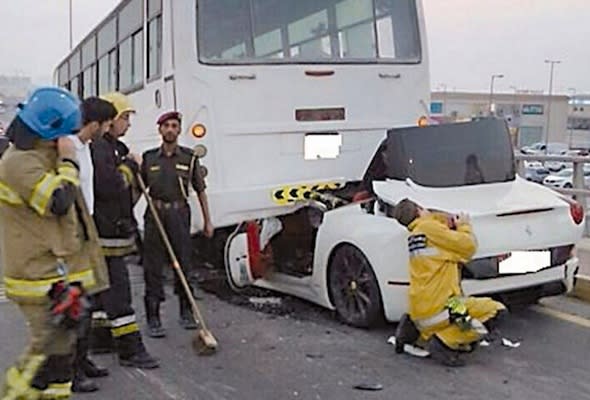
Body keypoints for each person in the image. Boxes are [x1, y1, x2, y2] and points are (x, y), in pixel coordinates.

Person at [0, 87, 107, 399]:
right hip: (34, 275)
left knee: (61, 351)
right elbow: (59, 201)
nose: (67, 140)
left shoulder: (38, 154)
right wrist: (68, 162)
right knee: (43, 352)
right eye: (63, 133)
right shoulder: (18, 163)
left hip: (53, 271)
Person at [391, 198, 506, 367]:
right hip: (445, 307)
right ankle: (443, 342)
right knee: (496, 312)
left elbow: (442, 239)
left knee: (465, 335)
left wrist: (446, 220)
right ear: (419, 210)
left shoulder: (416, 234)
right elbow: (468, 246)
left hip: (421, 310)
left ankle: (412, 334)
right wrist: (464, 225)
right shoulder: (429, 228)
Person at [90, 92, 159, 369]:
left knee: (102, 289)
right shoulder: (101, 149)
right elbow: (110, 186)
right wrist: (131, 167)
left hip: (111, 230)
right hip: (107, 232)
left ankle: (101, 338)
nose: (128, 124)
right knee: (119, 291)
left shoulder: (113, 147)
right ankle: (131, 350)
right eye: (125, 118)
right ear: (112, 119)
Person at [141, 111, 214, 338]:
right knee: (152, 268)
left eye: (174, 126)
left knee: (183, 264)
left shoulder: (189, 158)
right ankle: (153, 317)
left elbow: (200, 191)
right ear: (160, 130)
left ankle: (186, 312)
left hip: (179, 215)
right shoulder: (149, 158)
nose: (170, 129)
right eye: (166, 126)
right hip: (155, 215)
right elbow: (139, 188)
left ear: (179, 130)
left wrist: (208, 221)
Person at [67, 97, 117, 393]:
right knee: (75, 303)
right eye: (107, 124)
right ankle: (71, 369)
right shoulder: (69, 147)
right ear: (96, 124)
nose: (108, 129)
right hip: (72, 233)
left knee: (87, 300)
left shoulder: (86, 148)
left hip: (88, 229)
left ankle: (83, 360)